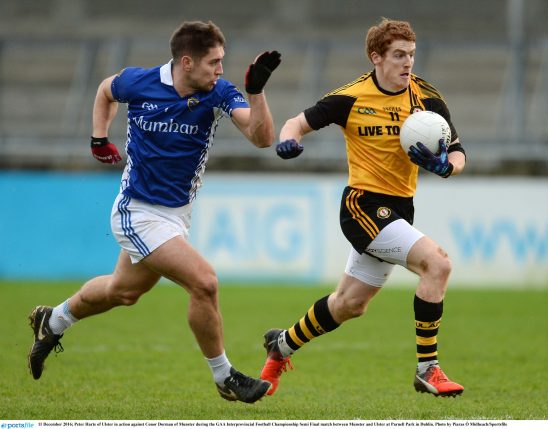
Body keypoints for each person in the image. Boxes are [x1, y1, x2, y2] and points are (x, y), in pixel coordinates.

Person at [27, 20, 281, 404]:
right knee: (204, 282)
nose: (220, 70)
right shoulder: (139, 82)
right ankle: (224, 375)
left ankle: (55, 320)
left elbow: (262, 138)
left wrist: (257, 91)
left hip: (175, 215)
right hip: (136, 211)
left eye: (222, 61)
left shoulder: (218, 93)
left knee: (123, 291)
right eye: (213, 62)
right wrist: (98, 137)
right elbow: (104, 90)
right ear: (186, 62)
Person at [260, 18, 466, 397]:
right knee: (437, 264)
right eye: (399, 55)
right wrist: (288, 142)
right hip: (362, 206)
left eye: (412, 55)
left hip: (400, 210)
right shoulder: (351, 97)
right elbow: (295, 123)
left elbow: (457, 151)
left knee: (349, 304)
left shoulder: (426, 98)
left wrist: (446, 168)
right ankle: (428, 369)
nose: (407, 63)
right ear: (376, 57)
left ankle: (281, 346)